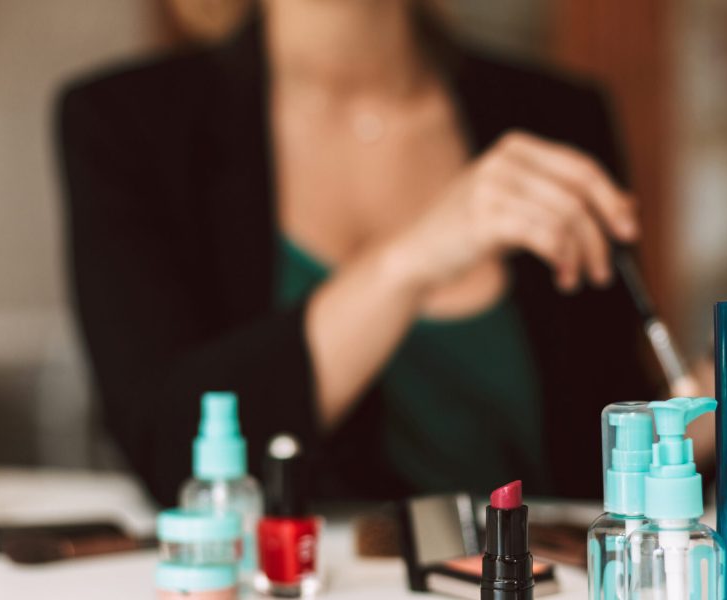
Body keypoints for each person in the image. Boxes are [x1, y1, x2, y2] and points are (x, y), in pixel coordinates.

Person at [57, 0, 660, 507]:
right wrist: (410, 262)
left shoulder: (557, 117)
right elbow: (169, 449)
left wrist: (711, 422)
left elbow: (599, 453)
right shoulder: (124, 124)